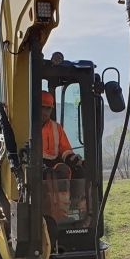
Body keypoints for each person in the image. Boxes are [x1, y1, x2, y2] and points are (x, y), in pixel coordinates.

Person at [40, 90, 84, 221]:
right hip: (35, 165)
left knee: (79, 170)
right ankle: (56, 215)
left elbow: (65, 150)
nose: (45, 112)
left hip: (53, 165)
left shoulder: (56, 128)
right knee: (56, 173)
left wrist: (73, 159)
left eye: (48, 109)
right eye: (42, 108)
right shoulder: (27, 126)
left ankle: (77, 208)